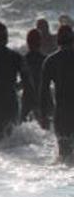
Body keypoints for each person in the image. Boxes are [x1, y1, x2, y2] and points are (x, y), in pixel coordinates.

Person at [39, 25, 74, 160]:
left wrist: (43, 116)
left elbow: (44, 92)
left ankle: (64, 180)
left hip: (62, 114)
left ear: (57, 40)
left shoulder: (50, 61)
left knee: (65, 157)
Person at [21, 29, 47, 121]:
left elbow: (21, 83)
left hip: (27, 98)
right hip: (43, 98)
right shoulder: (46, 60)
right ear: (41, 42)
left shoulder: (22, 60)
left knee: (22, 125)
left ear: (28, 42)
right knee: (47, 129)